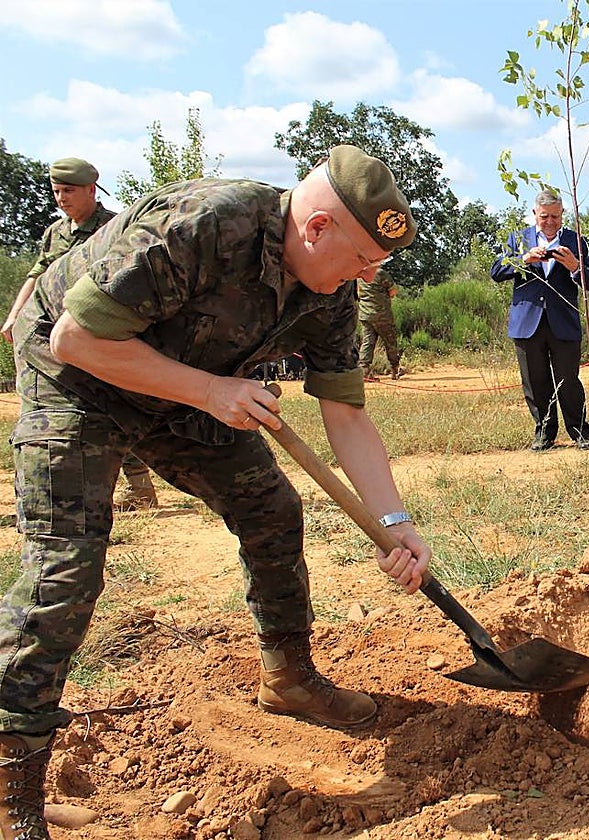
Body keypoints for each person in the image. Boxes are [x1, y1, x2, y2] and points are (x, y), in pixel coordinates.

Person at [0, 145, 431, 836]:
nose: (363, 277)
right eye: (357, 260)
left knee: (271, 509)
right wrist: (211, 391)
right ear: (316, 228)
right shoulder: (206, 222)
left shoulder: (333, 289)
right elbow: (78, 337)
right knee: (66, 567)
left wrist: (394, 517)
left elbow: (346, 411)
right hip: (76, 376)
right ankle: (12, 783)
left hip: (189, 387)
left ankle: (287, 677)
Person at [1, 157, 159, 510]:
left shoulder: (115, 226)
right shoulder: (55, 234)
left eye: (68, 190)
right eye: (56, 191)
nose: (61, 198)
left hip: (101, 333)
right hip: (55, 336)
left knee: (114, 405)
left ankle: (139, 487)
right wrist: (15, 316)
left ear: (91, 190)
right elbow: (36, 274)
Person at [491, 190, 589, 451]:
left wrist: (575, 266)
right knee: (535, 383)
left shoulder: (577, 241)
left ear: (563, 214)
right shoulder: (518, 239)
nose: (550, 221)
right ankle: (544, 434)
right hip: (528, 324)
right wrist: (524, 259)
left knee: (568, 381)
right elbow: (496, 272)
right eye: (544, 216)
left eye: (555, 216)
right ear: (534, 215)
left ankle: (580, 433)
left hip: (564, 323)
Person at [357, 272, 404, 380]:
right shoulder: (380, 274)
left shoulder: (359, 275)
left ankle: (364, 371)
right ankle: (395, 369)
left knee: (368, 342)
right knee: (390, 341)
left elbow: (358, 293)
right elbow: (393, 291)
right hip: (382, 314)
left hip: (365, 314)